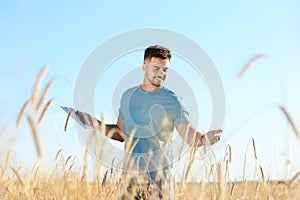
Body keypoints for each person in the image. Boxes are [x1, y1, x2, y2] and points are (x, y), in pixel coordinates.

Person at [75, 45, 222, 199]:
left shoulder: (172, 101)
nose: (161, 73)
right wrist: (95, 123)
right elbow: (121, 133)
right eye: (156, 68)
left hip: (159, 181)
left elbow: (190, 136)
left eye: (165, 70)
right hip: (130, 179)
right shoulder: (127, 96)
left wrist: (204, 139)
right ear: (144, 67)